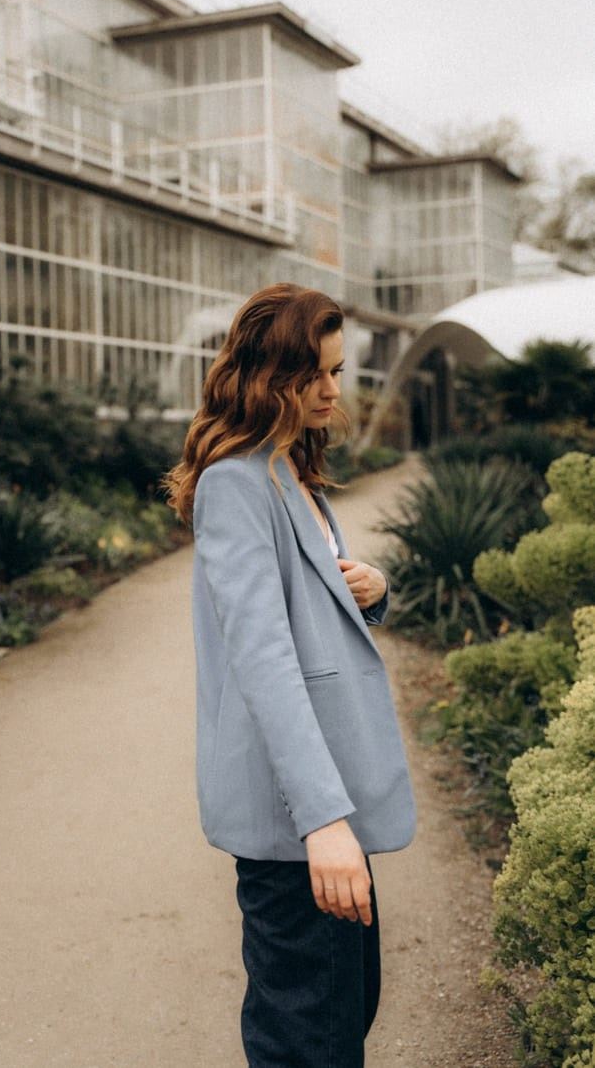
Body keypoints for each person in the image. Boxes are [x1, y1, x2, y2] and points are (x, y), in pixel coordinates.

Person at [163, 283, 416, 1068]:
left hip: (324, 800)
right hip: (299, 818)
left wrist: (363, 588)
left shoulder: (285, 468)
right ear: (274, 375)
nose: (336, 390)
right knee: (310, 1037)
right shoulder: (237, 482)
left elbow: (301, 609)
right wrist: (321, 821)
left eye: (339, 371)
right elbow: (264, 657)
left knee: (341, 1012)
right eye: (321, 374)